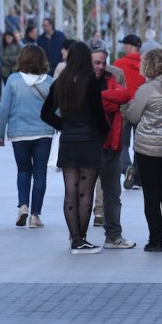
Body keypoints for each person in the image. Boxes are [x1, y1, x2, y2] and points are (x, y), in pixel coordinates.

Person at [41, 42, 110, 254]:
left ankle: (74, 238)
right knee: (85, 192)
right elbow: (99, 114)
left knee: (70, 192)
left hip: (68, 142)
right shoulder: (91, 82)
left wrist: (64, 126)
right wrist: (102, 132)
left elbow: (45, 113)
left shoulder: (60, 82)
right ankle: (83, 238)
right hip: (89, 141)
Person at [126, 48, 162, 252]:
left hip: (148, 150)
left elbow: (133, 117)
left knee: (151, 195)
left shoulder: (146, 89)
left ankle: (155, 239)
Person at [0, 45, 55, 229]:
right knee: (40, 174)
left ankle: (23, 206)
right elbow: (57, 109)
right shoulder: (50, 82)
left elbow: (4, 109)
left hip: (19, 134)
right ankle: (35, 216)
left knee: (23, 171)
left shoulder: (13, 80)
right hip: (43, 133)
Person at [89, 41, 137, 249]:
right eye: (96, 62)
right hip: (89, 146)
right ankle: (79, 238)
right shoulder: (80, 82)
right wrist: (109, 101)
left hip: (112, 144)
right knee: (82, 194)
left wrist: (98, 98)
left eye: (103, 62)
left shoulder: (112, 76)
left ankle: (113, 236)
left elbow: (124, 95)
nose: (100, 66)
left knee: (113, 194)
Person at [114, 34, 145, 190]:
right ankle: (138, 178)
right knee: (140, 144)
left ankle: (126, 168)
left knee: (122, 143)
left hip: (124, 108)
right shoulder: (146, 65)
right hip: (142, 108)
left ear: (128, 46)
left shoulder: (118, 64)